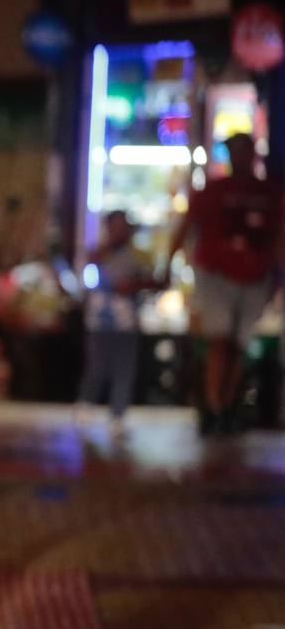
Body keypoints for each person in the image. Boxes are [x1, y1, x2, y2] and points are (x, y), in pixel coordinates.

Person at [168, 133, 285, 434]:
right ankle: (214, 405)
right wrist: (168, 264)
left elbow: (279, 235)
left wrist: (277, 273)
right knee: (219, 341)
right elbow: (186, 226)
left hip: (255, 277)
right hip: (216, 275)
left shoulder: (269, 192)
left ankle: (228, 404)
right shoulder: (212, 191)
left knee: (239, 345)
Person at [75, 211, 158, 437]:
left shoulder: (139, 255)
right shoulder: (99, 251)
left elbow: (155, 281)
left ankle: (117, 416)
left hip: (126, 321)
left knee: (124, 370)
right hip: (99, 320)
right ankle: (86, 404)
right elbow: (90, 266)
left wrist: (134, 285)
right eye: (115, 226)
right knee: (97, 366)